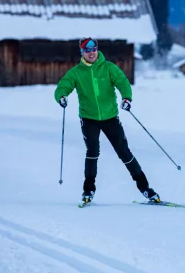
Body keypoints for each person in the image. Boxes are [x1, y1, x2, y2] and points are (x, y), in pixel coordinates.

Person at [54, 37, 161, 205]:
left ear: (97, 50)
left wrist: (127, 98)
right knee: (92, 152)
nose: (91, 53)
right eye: (87, 50)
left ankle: (145, 188)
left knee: (124, 152)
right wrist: (61, 96)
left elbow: (122, 82)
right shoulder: (76, 72)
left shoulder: (109, 68)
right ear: (82, 52)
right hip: (89, 119)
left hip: (110, 117)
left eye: (93, 49)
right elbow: (63, 86)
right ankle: (88, 190)